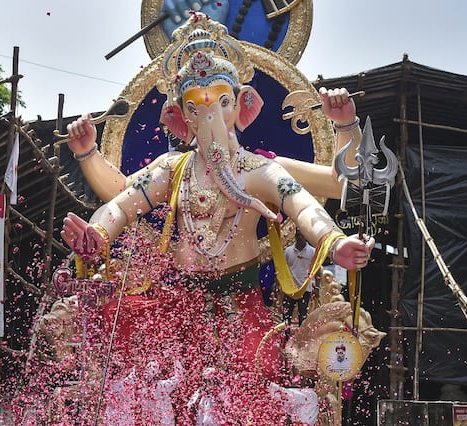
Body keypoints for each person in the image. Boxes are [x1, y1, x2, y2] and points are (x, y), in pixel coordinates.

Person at [61, 13, 374, 423]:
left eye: (221, 103)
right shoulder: (171, 169)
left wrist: (334, 242)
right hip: (177, 306)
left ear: (242, 107)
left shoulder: (259, 170)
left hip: (242, 307)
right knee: (159, 392)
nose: (210, 117)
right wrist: (98, 228)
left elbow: (306, 207)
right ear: (180, 118)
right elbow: (121, 202)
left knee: (252, 392)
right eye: (196, 107)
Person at [282, 228, 316, 326]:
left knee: (303, 316)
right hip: (290, 289)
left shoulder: (312, 251)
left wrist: (317, 287)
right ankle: (285, 334)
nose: (299, 237)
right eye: (297, 235)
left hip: (305, 289)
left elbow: (317, 271)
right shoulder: (288, 251)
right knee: (286, 315)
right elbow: (283, 269)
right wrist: (280, 284)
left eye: (302, 235)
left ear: (306, 237)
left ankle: (301, 335)